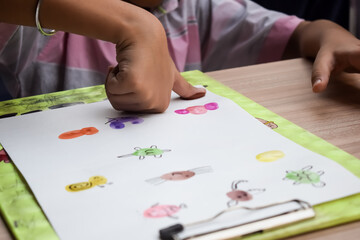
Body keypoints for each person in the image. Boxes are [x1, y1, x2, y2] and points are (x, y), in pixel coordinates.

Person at [0, 0, 359, 113]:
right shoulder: (40, 22)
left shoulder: (195, 8)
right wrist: (133, 24)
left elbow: (302, 35)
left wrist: (331, 34)